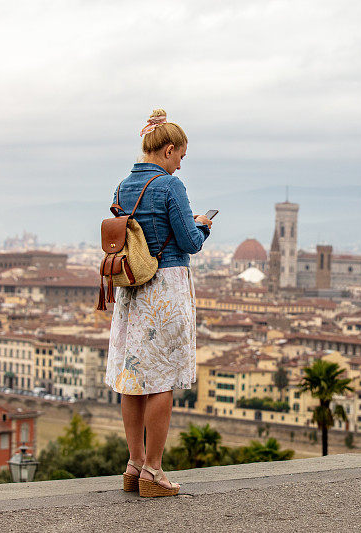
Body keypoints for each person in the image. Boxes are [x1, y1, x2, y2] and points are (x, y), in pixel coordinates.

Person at [104, 109, 212, 497]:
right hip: (164, 288)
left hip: (131, 289)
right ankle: (154, 471)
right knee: (161, 380)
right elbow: (189, 242)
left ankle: (134, 465)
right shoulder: (170, 187)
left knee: (133, 377)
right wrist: (202, 225)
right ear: (168, 150)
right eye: (181, 155)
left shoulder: (122, 187)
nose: (181, 164)